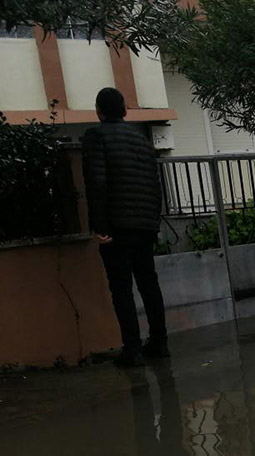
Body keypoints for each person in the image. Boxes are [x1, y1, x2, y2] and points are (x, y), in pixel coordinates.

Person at [83, 87, 169, 367]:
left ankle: (132, 349)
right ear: (124, 110)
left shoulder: (95, 136)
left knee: (121, 287)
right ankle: (159, 342)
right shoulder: (141, 140)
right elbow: (155, 184)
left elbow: (96, 182)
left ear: (99, 111)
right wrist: (153, 221)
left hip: (117, 225)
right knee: (148, 282)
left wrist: (100, 226)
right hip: (145, 224)